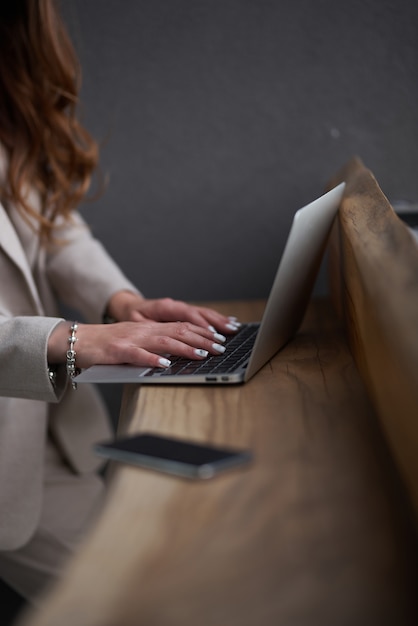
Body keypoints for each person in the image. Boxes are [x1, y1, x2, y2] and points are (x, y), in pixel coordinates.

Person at [0, 0, 239, 605]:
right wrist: (71, 339)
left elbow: (51, 226)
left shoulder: (7, 100)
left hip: (42, 442)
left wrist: (121, 302)